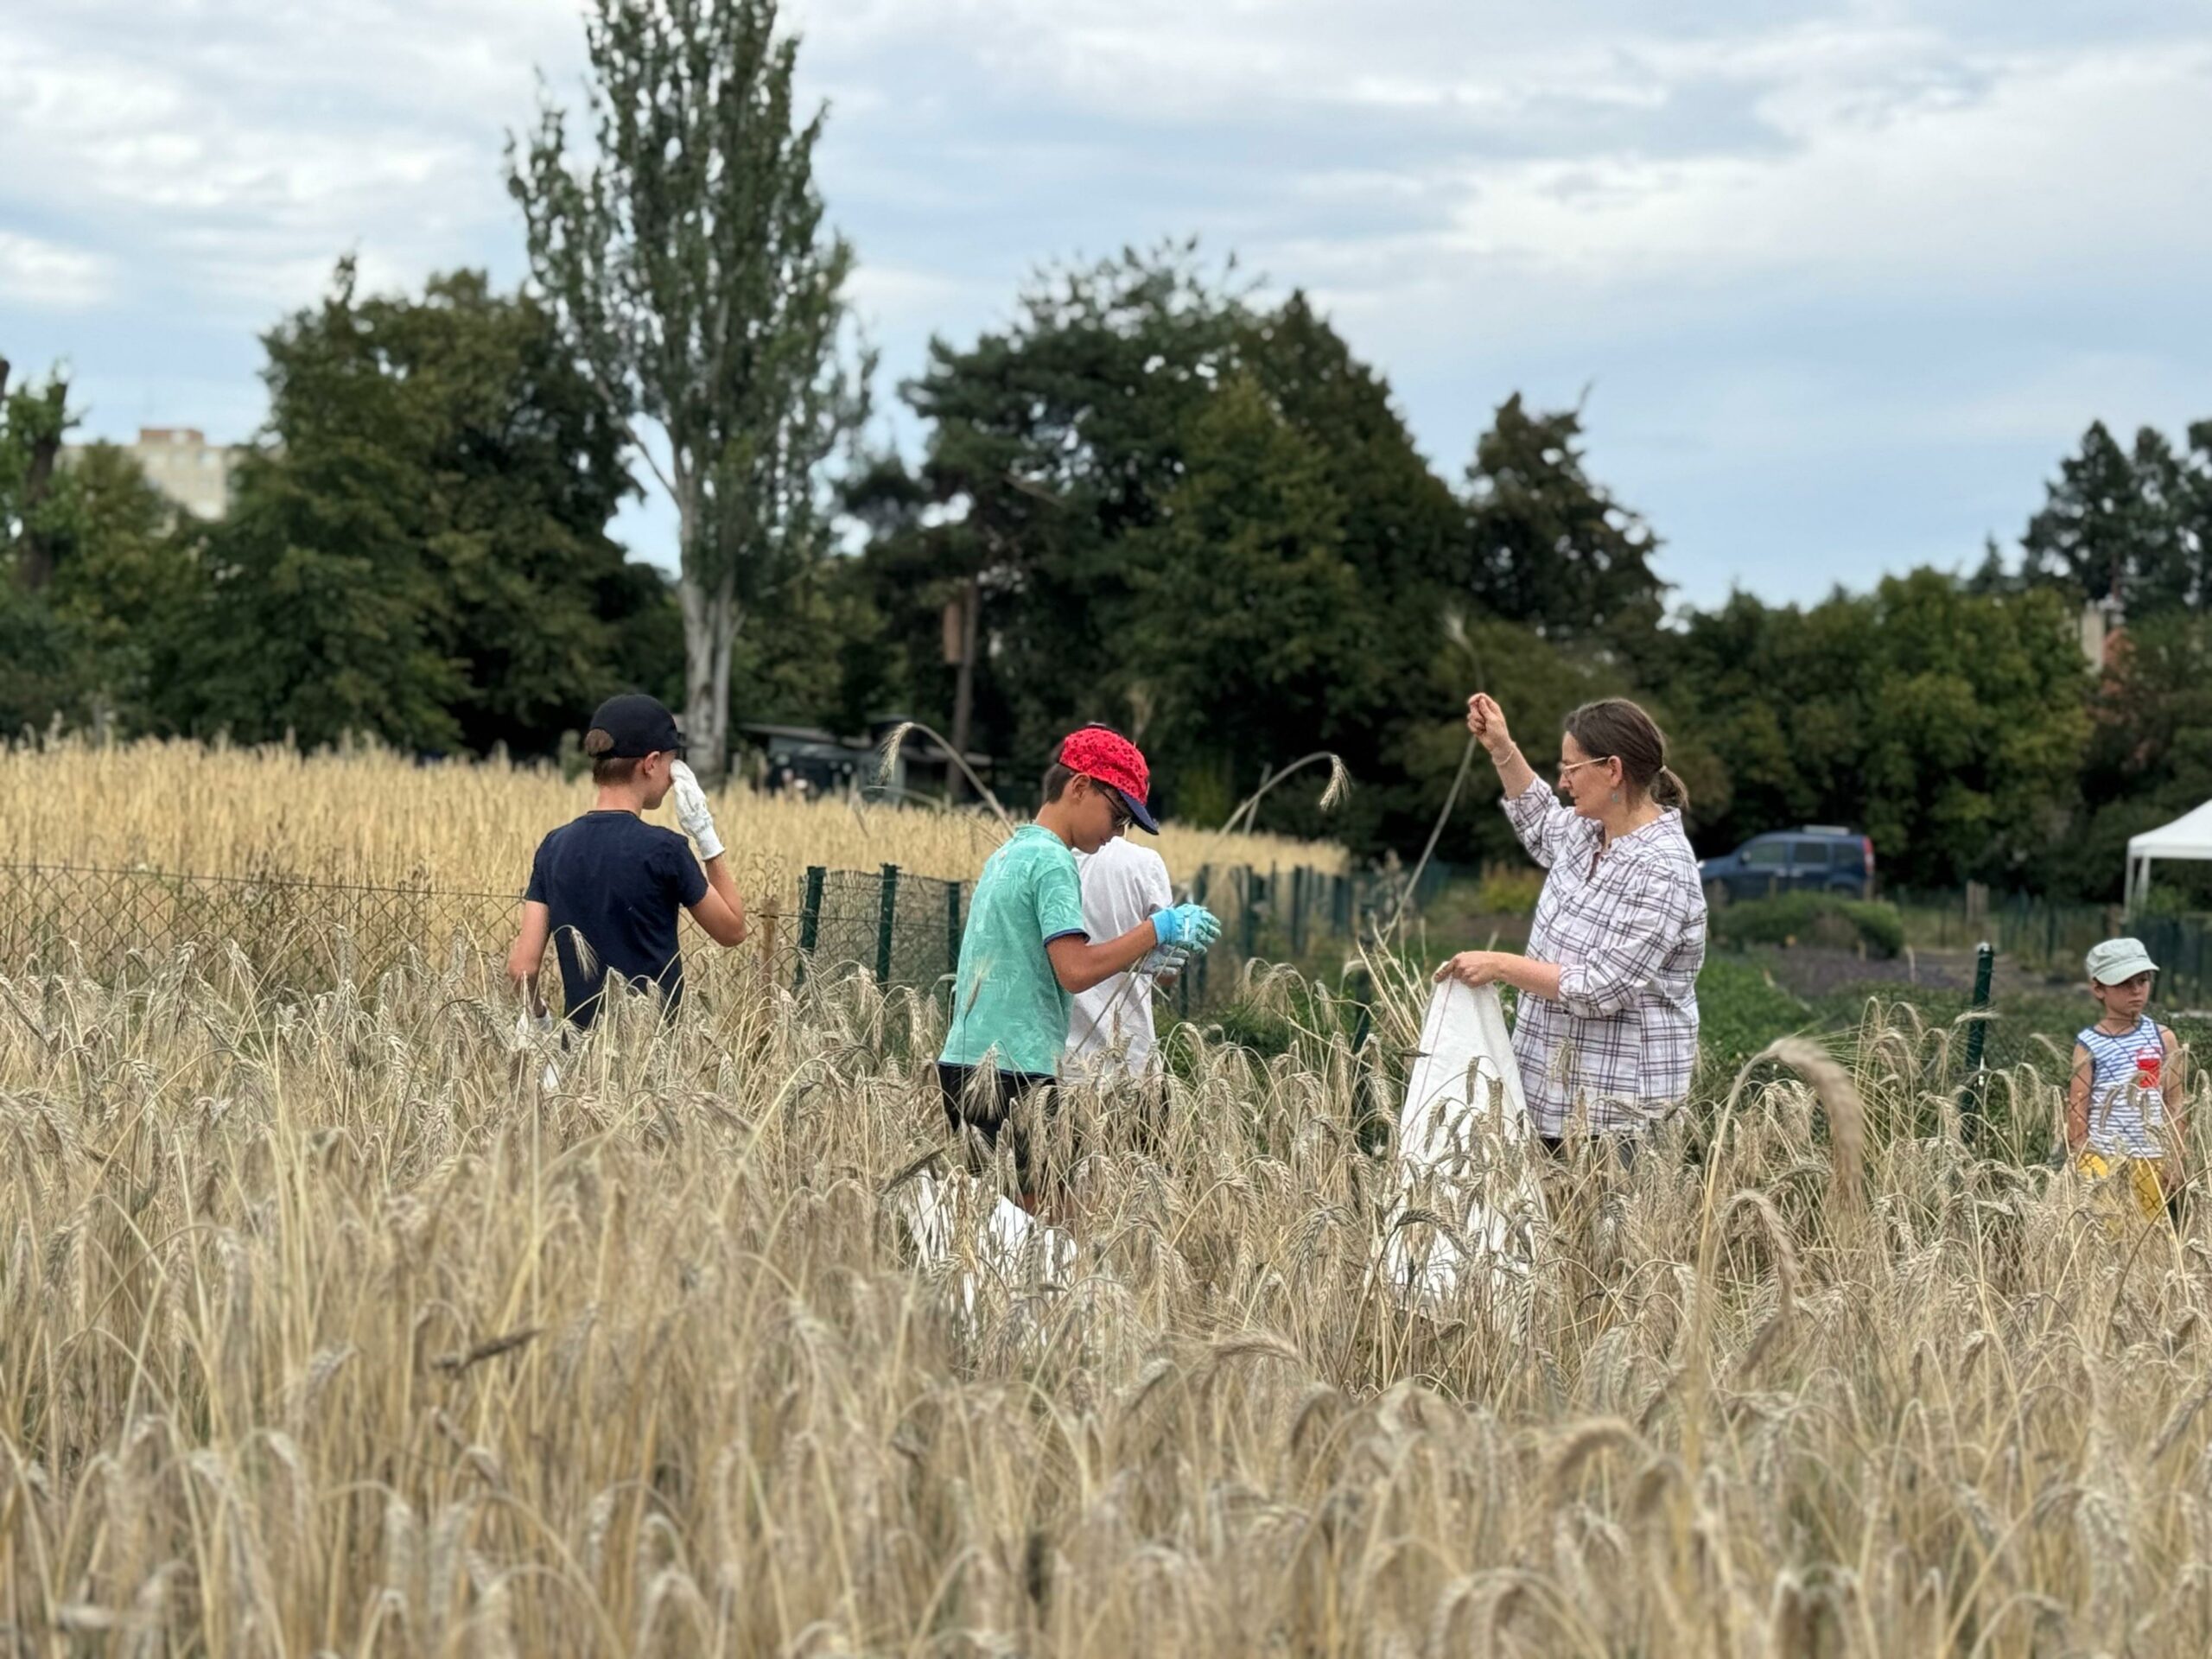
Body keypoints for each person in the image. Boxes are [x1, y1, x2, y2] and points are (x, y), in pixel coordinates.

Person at [938, 726, 1219, 1211]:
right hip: (1015, 1073)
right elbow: (1074, 970)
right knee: (1048, 1228)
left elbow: (1034, 960)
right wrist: (1157, 929)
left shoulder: (1009, 853)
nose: (1117, 833)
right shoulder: (1054, 863)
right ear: (1080, 786)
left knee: (992, 1225)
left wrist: (1145, 955)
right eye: (1117, 815)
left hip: (966, 1063)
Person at [1436, 693, 1706, 1151]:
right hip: (1546, 1095)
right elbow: (1541, 821)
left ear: (1613, 770)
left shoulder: (1662, 869)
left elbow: (1602, 988)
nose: (1562, 782)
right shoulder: (1589, 830)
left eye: (1571, 769)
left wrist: (1501, 965)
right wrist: (1502, 748)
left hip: (1614, 1117)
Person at [507, 693, 748, 1029]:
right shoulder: (665, 850)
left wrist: (541, 1020)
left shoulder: (553, 846)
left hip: (581, 1051)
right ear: (651, 763)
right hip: (652, 1050)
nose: (672, 778)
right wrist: (706, 835)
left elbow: (521, 969)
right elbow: (733, 930)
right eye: (671, 764)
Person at [1066, 774, 1179, 1086]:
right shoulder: (1145, 864)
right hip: (1132, 1062)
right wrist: (1169, 938)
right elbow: (1168, 973)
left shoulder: (1040, 860)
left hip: (1059, 1063)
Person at [2068, 938, 2186, 1223]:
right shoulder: (2089, 1045)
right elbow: (2077, 1107)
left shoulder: (2163, 1038)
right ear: (2099, 988)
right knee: (2108, 1233)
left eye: (2142, 981)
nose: (2136, 990)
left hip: (2152, 1158)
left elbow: (2175, 1100)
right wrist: (2085, 1161)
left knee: (2149, 1233)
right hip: (2104, 1161)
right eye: (2123, 983)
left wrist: (2176, 1157)